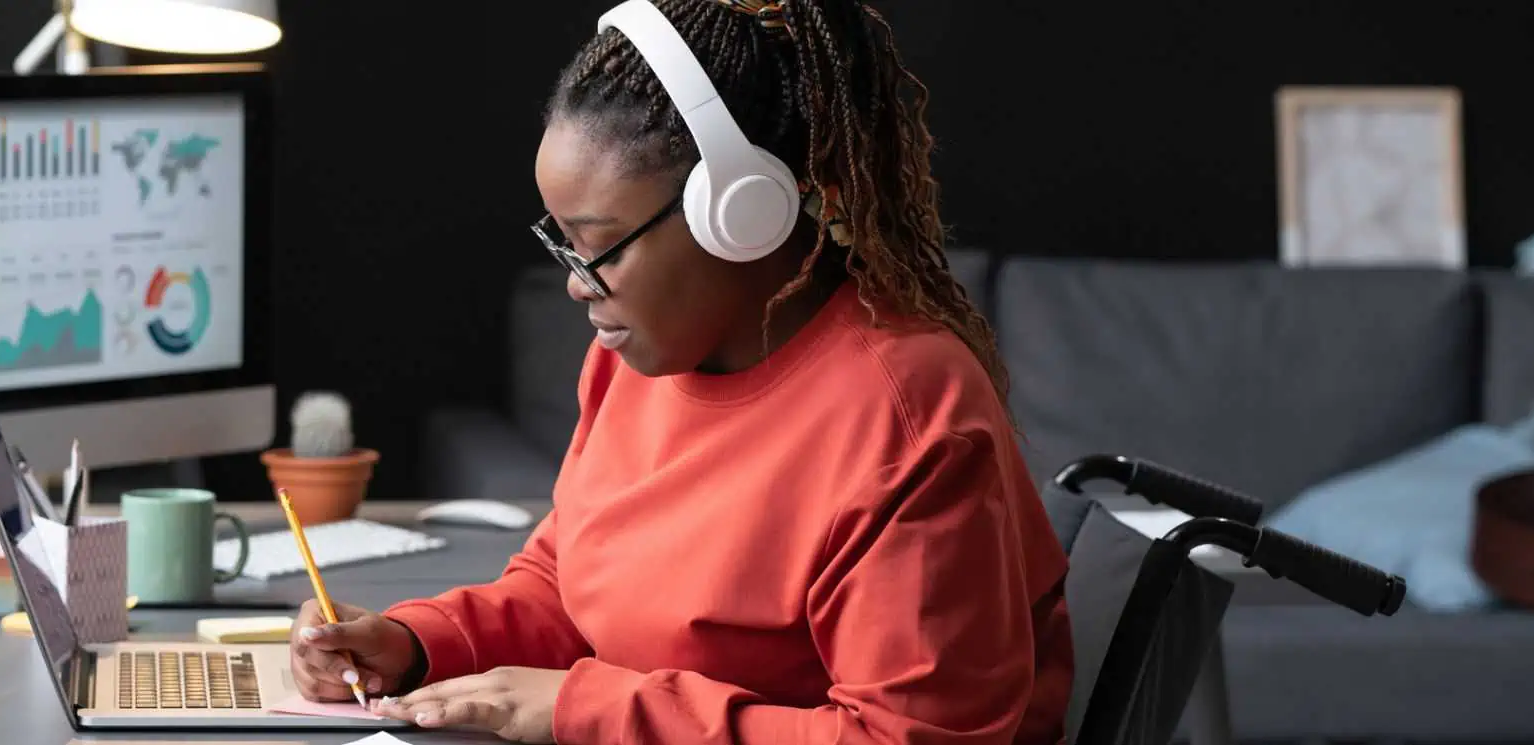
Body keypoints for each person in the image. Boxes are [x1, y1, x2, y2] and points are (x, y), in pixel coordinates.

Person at [289, 0, 1072, 742]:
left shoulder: (906, 415)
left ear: (740, 213)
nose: (576, 279)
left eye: (600, 243)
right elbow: (567, 585)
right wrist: (414, 641)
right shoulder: (633, 361)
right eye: (561, 240)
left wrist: (586, 706)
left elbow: (909, 737)